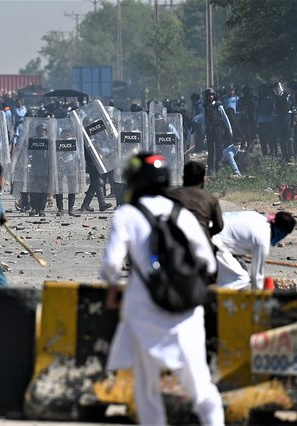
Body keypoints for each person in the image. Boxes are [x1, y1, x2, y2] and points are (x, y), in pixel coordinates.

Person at [101, 153, 223, 426]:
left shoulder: (127, 214)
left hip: (142, 309)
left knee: (146, 389)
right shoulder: (180, 214)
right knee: (200, 384)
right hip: (185, 312)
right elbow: (207, 261)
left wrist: (111, 289)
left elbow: (111, 264)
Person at [212, 210, 296, 290]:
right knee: (241, 278)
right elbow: (257, 277)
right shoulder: (263, 239)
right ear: (280, 231)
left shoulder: (258, 217)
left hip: (208, 228)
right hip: (214, 240)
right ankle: (218, 300)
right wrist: (259, 299)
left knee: (241, 267)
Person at [166, 160, 223, 241]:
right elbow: (219, 226)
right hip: (202, 241)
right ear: (203, 179)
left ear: (183, 178)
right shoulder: (211, 199)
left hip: (175, 241)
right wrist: (206, 234)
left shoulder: (170, 195)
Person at [202, 88, 233, 176]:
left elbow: (225, 118)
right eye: (209, 95)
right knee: (211, 151)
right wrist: (204, 133)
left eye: (212, 95)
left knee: (219, 150)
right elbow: (204, 120)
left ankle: (218, 169)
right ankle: (211, 171)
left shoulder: (219, 106)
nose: (210, 97)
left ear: (214, 96)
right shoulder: (206, 106)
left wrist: (230, 129)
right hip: (209, 130)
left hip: (218, 130)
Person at [272, 81, 295, 163]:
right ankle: (284, 156)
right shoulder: (275, 98)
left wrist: (294, 119)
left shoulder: (287, 96)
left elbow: (293, 108)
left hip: (287, 118)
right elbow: (274, 110)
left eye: (278, 87)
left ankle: (291, 156)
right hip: (279, 120)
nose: (277, 89)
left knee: (289, 138)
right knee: (282, 139)